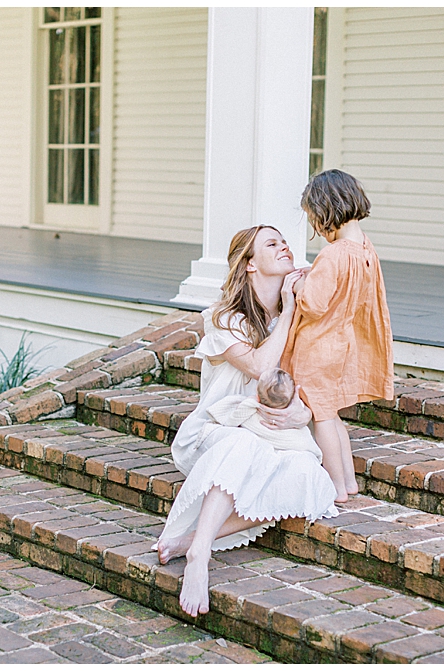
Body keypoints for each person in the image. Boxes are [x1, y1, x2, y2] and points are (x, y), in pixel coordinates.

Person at [156, 226, 339, 618]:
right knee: (246, 446)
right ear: (251, 264)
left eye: (285, 241)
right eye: (271, 244)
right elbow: (260, 367)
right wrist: (289, 313)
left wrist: (301, 414)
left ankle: (190, 539)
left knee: (308, 475)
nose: (285, 246)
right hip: (218, 433)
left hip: (272, 435)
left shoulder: (296, 319)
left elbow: (307, 389)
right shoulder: (224, 320)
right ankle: (199, 556)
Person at [283, 169, 395, 504]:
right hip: (342, 343)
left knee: (323, 420)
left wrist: (299, 282)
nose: (316, 228)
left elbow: (315, 304)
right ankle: (348, 481)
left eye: (315, 220)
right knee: (332, 416)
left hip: (317, 347)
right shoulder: (364, 249)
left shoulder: (332, 254)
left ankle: (334, 487)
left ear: (327, 211)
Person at [202, 368, 323, 461]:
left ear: (258, 396)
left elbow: (232, 421)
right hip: (290, 442)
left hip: (263, 442)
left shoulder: (251, 406)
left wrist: (249, 401)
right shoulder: (297, 408)